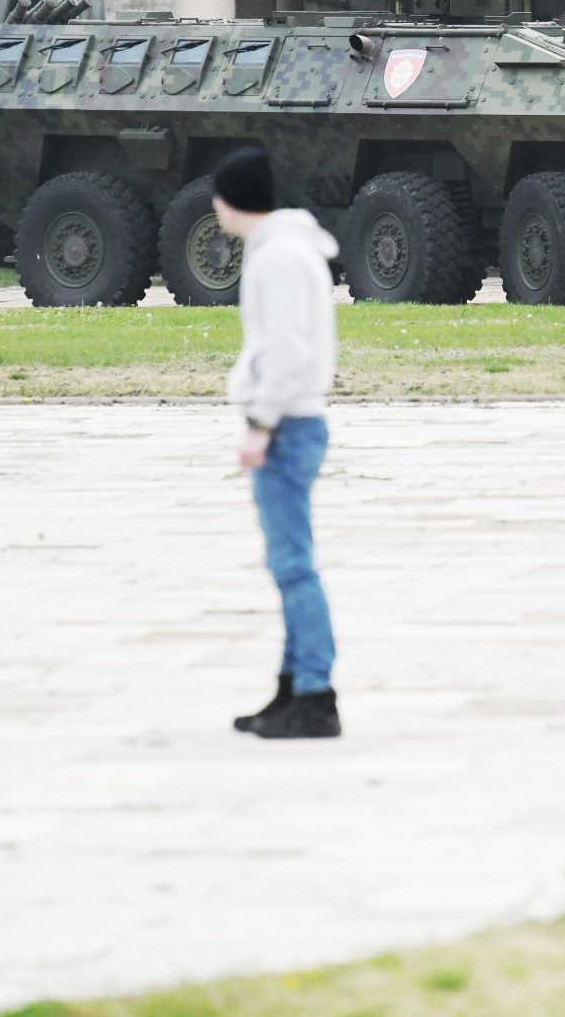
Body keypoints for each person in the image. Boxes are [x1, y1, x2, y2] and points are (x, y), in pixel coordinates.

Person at [212, 145, 343, 740]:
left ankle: (315, 694)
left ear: (232, 200)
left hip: (287, 424)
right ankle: (291, 688)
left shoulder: (278, 259)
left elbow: (288, 351)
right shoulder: (286, 249)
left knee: (294, 567)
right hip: (292, 421)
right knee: (287, 562)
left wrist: (260, 424)